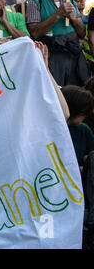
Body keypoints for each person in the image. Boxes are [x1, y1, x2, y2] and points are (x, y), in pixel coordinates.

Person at [26, 0, 89, 87]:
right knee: (56, 96)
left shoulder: (71, 2)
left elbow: (82, 32)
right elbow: (35, 32)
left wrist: (73, 18)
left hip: (73, 57)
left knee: (76, 97)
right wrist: (58, 14)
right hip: (51, 58)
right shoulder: (35, 2)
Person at [61, 85, 94, 241]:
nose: (86, 117)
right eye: (84, 113)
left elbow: (90, 160)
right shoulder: (50, 129)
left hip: (78, 192)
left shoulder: (84, 131)